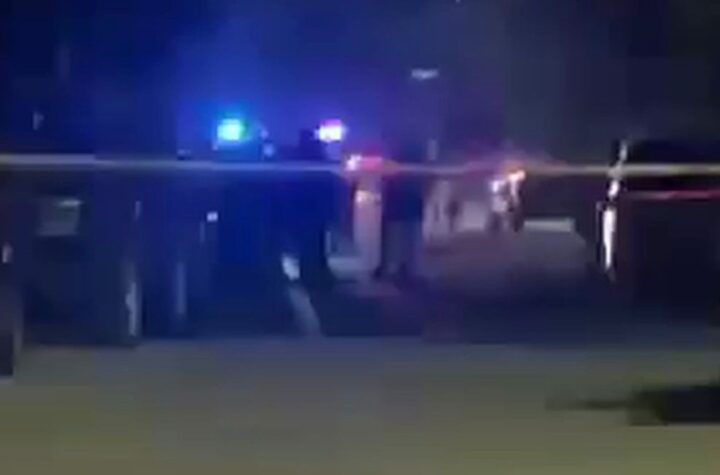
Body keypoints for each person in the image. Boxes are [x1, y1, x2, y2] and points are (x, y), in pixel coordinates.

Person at [289, 129, 336, 287]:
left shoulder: (298, 157)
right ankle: (316, 273)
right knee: (315, 242)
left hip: (305, 207)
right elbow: (328, 181)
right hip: (314, 207)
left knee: (309, 243)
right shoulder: (318, 155)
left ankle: (310, 273)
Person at [375, 141, 426, 284]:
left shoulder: (394, 159)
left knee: (395, 232)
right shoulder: (417, 161)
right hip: (410, 195)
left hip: (399, 196)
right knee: (410, 232)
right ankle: (408, 267)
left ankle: (393, 266)